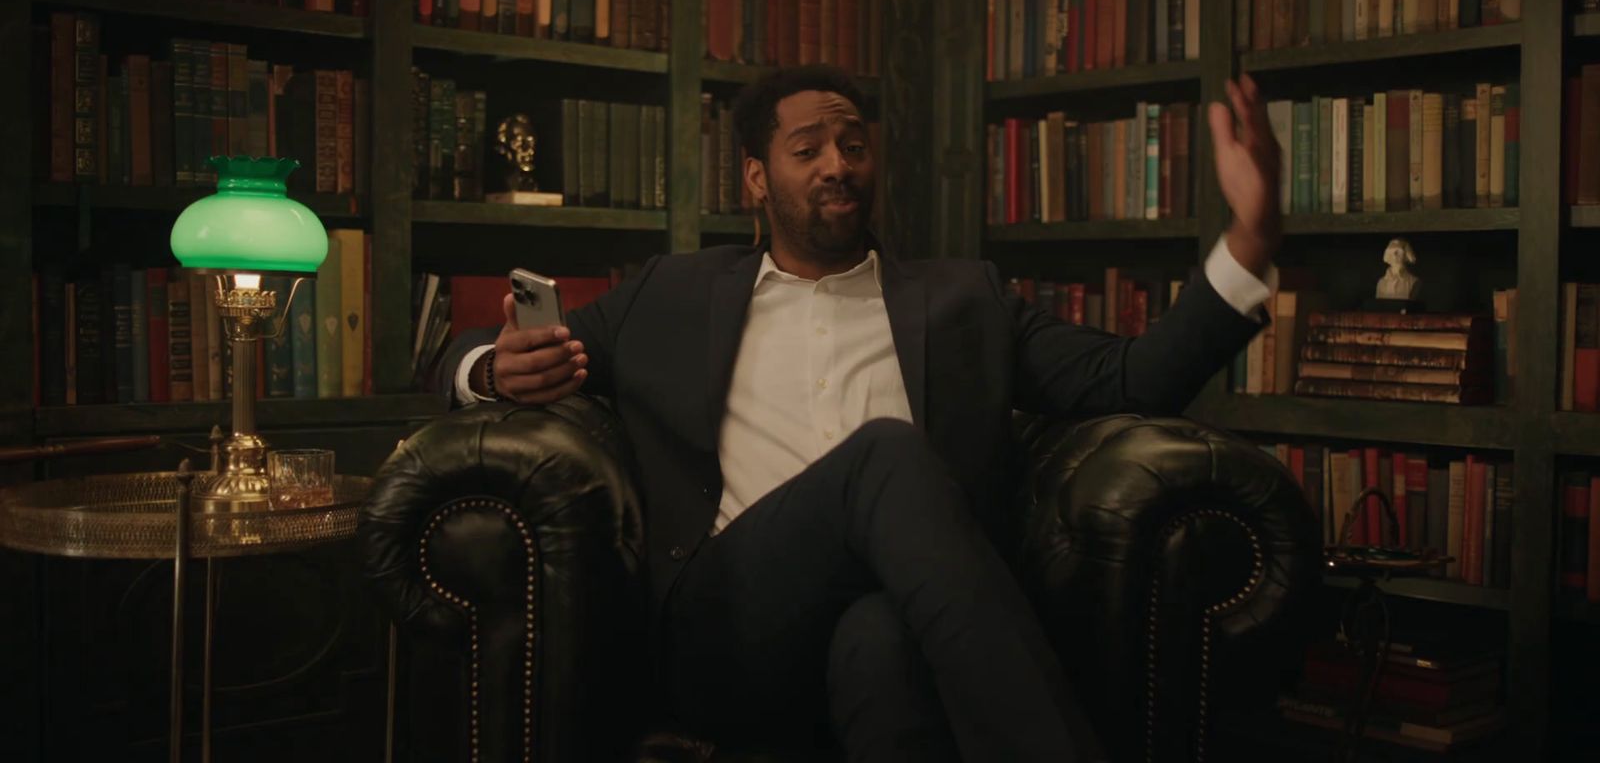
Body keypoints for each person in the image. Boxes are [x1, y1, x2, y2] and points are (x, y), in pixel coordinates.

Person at [436, 65, 1282, 762]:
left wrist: (1249, 240)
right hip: (726, 629)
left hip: (905, 623)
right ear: (757, 178)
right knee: (886, 456)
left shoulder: (965, 300)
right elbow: (471, 348)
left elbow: (1129, 379)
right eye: (808, 148)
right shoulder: (671, 294)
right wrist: (493, 370)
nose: (838, 163)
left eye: (853, 144)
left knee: (879, 642)